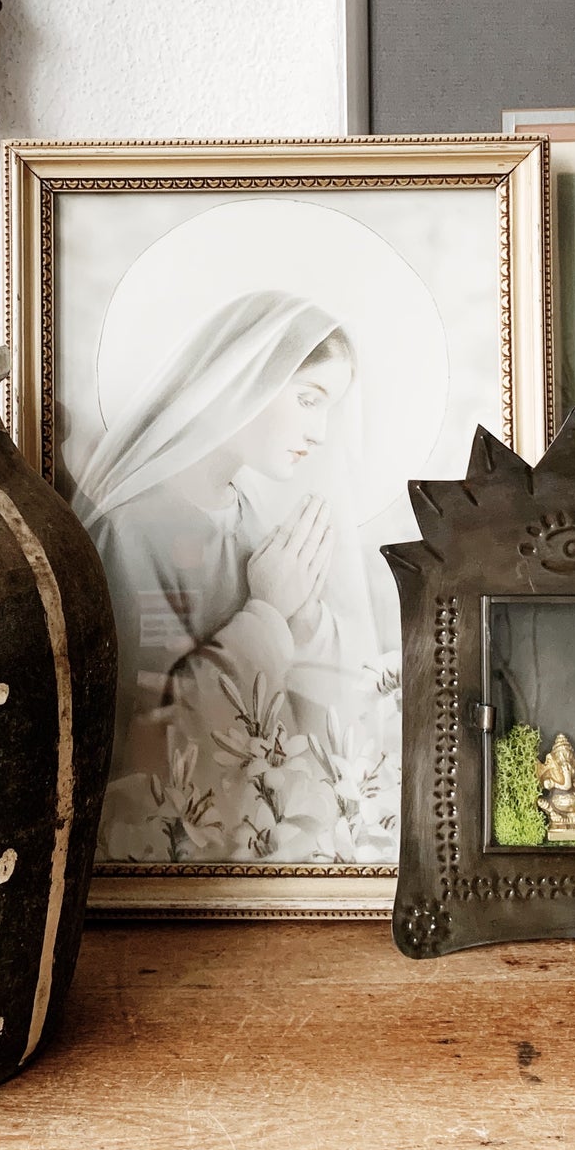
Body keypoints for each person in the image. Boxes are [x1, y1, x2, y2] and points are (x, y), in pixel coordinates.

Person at [74, 291, 390, 860]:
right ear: (246, 381)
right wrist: (267, 615)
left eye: (329, 408)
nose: (320, 432)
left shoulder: (256, 519)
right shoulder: (132, 531)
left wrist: (303, 616)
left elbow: (332, 701)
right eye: (308, 399)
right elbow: (146, 734)